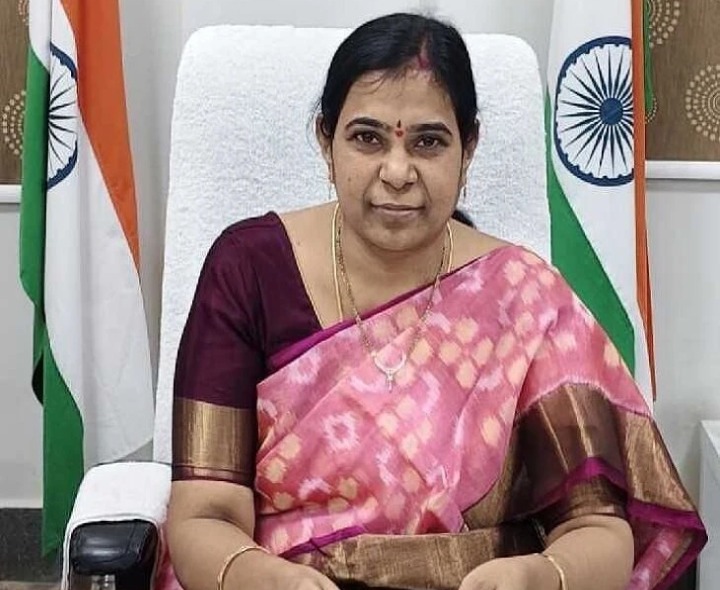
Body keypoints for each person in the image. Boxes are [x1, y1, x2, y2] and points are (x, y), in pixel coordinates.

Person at [161, 12, 706, 590]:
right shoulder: (248, 269)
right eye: (367, 138)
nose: (397, 172)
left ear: (468, 149)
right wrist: (268, 580)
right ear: (326, 141)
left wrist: (538, 576)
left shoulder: (521, 296)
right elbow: (204, 516)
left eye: (428, 142)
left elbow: (599, 528)